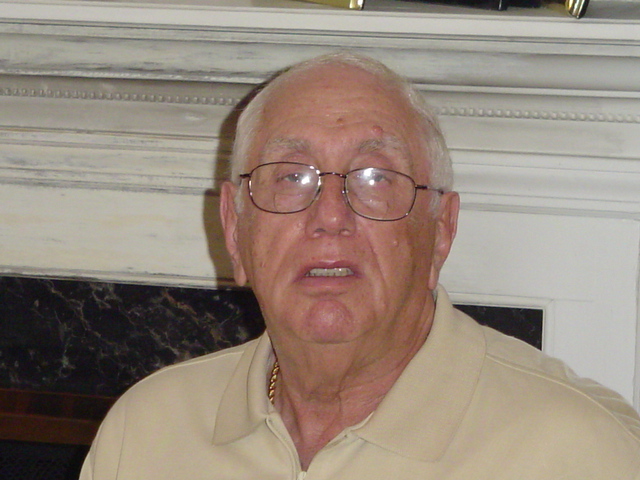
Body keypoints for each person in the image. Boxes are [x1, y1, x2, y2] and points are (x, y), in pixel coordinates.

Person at [80, 52, 640, 479]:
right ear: (233, 227)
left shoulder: (580, 452)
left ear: (441, 231)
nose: (329, 216)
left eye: (375, 178)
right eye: (290, 176)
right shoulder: (146, 434)